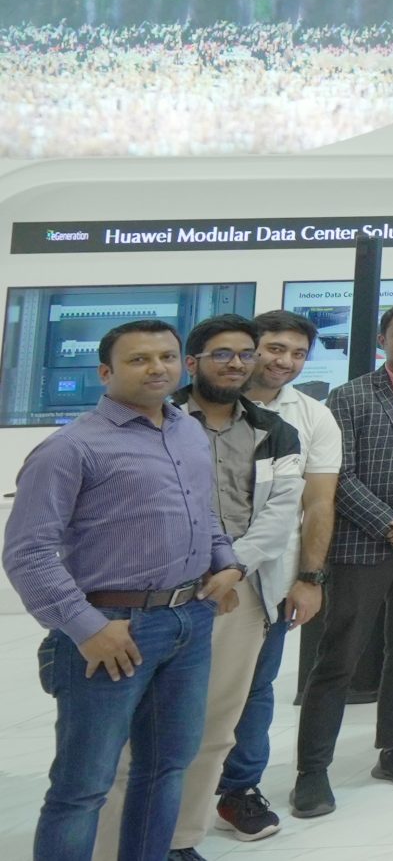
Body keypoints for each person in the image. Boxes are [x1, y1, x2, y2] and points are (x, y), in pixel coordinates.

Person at [7, 319, 248, 859]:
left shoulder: (186, 430)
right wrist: (86, 629)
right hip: (113, 631)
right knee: (82, 787)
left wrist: (226, 562)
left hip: (189, 619)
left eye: (166, 357)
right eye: (139, 359)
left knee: (166, 767)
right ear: (105, 372)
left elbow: (202, 511)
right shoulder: (70, 448)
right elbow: (28, 553)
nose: (156, 368)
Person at [88, 315, 301, 859]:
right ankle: (118, 847)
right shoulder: (164, 422)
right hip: (162, 593)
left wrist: (233, 567)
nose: (236, 364)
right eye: (222, 354)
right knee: (137, 737)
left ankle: (180, 841)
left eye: (246, 354)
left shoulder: (276, 430)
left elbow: (282, 512)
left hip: (239, 590)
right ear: (194, 362)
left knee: (214, 729)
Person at [290, 302, 393, 817]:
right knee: (339, 657)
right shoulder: (349, 396)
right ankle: (312, 771)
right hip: (365, 543)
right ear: (383, 340)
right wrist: (391, 524)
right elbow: (336, 474)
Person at [217, 311, 340, 838]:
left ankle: (239, 789)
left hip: (269, 578)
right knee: (184, 686)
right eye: (274, 348)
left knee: (255, 686)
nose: (284, 361)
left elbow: (318, 503)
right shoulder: (197, 407)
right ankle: (168, 789)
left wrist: (310, 577)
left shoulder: (312, 417)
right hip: (193, 574)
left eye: (297, 353)